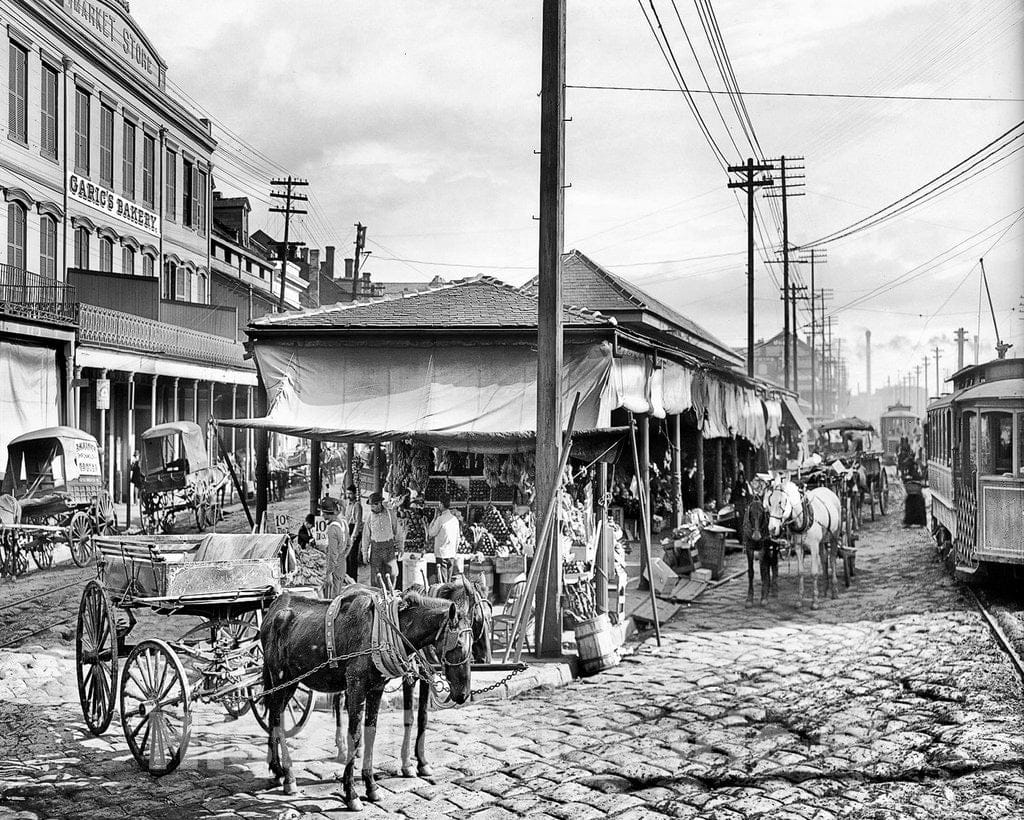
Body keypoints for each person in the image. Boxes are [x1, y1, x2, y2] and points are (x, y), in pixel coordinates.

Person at [363, 492, 399, 589]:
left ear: (379, 503)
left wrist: (401, 547)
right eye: (370, 505)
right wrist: (365, 553)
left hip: (389, 548)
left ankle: (390, 596)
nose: (371, 508)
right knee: (376, 577)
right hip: (376, 549)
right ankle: (377, 598)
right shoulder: (369, 517)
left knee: (393, 573)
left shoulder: (390, 514)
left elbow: (397, 531)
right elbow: (366, 536)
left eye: (373, 505)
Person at [427, 495, 460, 583]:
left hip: (442, 555)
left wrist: (434, 519)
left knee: (442, 583)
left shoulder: (440, 519)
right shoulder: (455, 520)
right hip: (451, 554)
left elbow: (431, 533)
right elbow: (458, 538)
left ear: (441, 504)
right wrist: (454, 552)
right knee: (448, 582)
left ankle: (443, 597)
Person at [321, 497, 350, 597]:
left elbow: (333, 554)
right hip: (342, 563)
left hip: (334, 567)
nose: (322, 515)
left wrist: (329, 573)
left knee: (332, 599)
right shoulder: (343, 522)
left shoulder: (332, 529)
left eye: (323, 513)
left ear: (327, 513)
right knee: (338, 594)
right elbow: (349, 544)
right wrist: (342, 556)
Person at [343, 485, 363, 583]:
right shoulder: (348, 505)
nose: (348, 495)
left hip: (353, 532)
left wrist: (353, 536)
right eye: (347, 493)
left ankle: (353, 580)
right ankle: (347, 579)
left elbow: (358, 522)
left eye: (350, 494)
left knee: (352, 557)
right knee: (346, 556)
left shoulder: (357, 505)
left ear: (355, 494)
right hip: (347, 530)